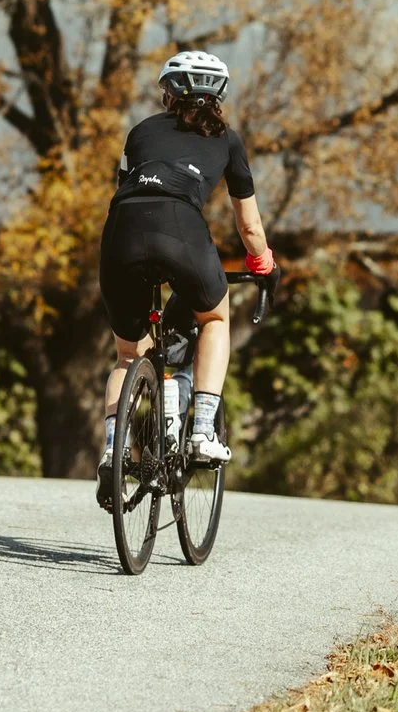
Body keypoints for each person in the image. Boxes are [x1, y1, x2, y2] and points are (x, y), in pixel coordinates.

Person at [97, 50, 274, 486]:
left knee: (127, 355)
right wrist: (263, 264)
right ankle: (201, 432)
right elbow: (250, 226)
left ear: (169, 95)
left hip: (121, 231)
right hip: (180, 229)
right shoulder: (228, 140)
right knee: (215, 318)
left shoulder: (140, 131)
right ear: (219, 96)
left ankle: (112, 451)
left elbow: (126, 187)